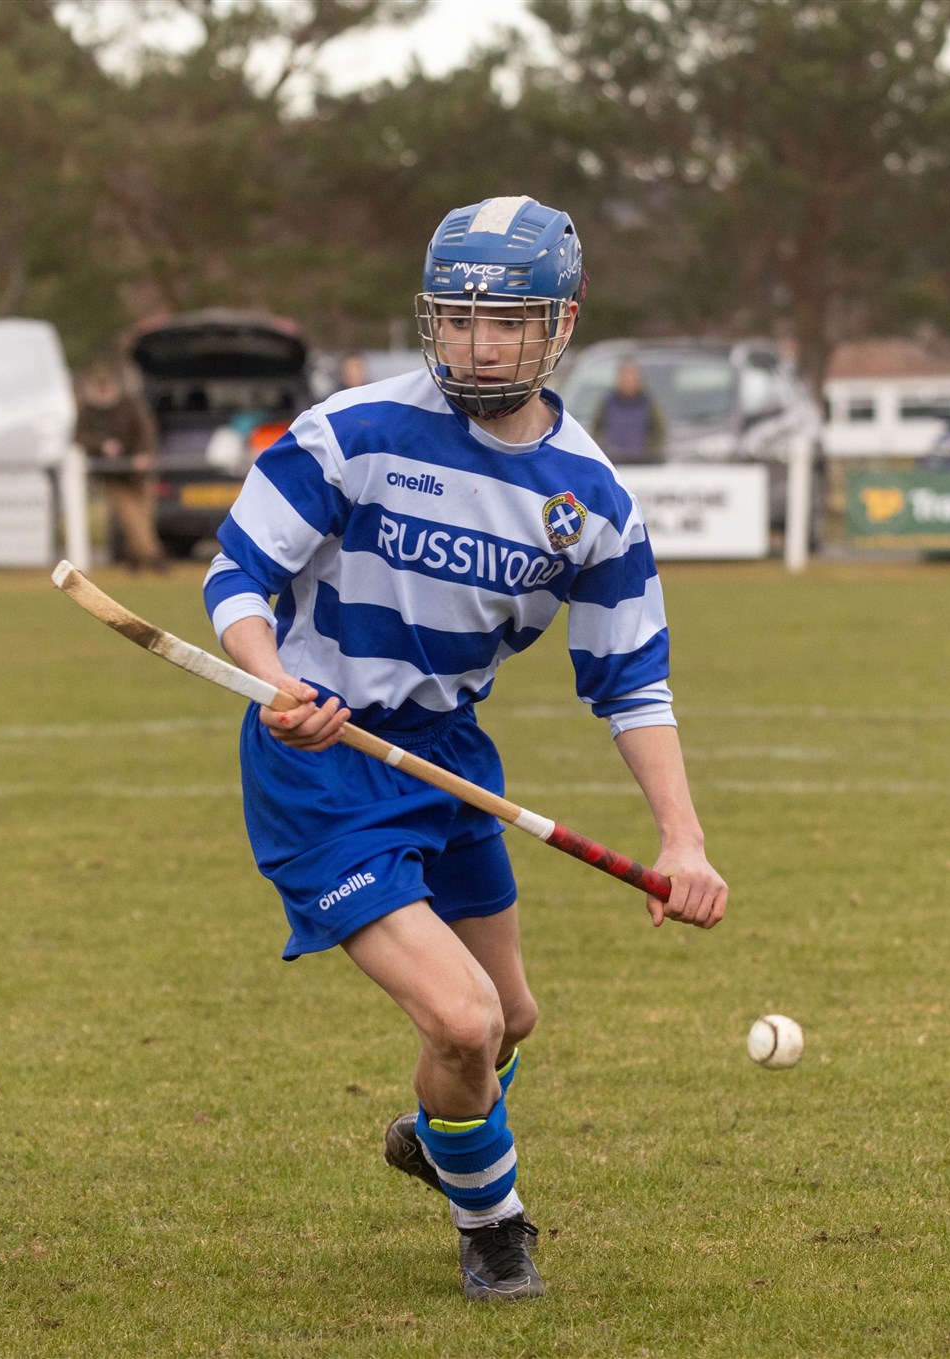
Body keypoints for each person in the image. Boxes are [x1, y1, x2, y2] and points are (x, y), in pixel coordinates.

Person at [202, 196, 727, 1303]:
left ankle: (444, 1130)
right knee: (463, 1019)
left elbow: (633, 680)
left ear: (562, 324)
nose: (477, 345)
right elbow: (238, 574)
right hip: (320, 756)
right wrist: (271, 679)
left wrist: (682, 839)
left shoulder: (592, 499)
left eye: (507, 324)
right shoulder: (353, 431)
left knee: (509, 1020)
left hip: (446, 753)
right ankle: (493, 1226)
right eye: (455, 319)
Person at [75, 360, 167, 571]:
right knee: (130, 517)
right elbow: (79, 437)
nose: (103, 393)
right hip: (112, 476)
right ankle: (156, 559)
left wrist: (144, 455)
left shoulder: (129, 406)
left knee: (144, 516)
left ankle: (134, 561)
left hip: (138, 473)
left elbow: (146, 431)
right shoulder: (87, 412)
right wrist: (102, 445)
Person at [592, 360, 664, 463]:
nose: (628, 381)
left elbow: (659, 433)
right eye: (625, 377)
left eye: (631, 378)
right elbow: (596, 431)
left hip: (642, 464)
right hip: (613, 462)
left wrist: (648, 453)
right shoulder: (608, 403)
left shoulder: (648, 404)